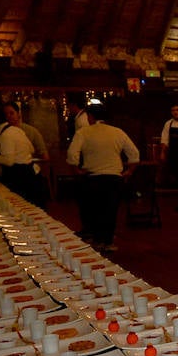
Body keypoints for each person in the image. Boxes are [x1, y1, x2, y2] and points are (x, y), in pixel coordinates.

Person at [66, 103, 140, 252]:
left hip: (92, 178)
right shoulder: (118, 132)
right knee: (110, 210)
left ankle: (97, 240)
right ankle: (108, 241)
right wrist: (129, 171)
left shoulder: (83, 132)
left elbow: (72, 155)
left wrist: (76, 170)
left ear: (90, 117)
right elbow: (134, 155)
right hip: (114, 178)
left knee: (93, 210)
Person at [0, 108, 45, 206]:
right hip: (29, 173)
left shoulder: (6, 135)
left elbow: (9, 162)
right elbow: (31, 149)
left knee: (22, 208)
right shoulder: (16, 130)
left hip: (20, 176)